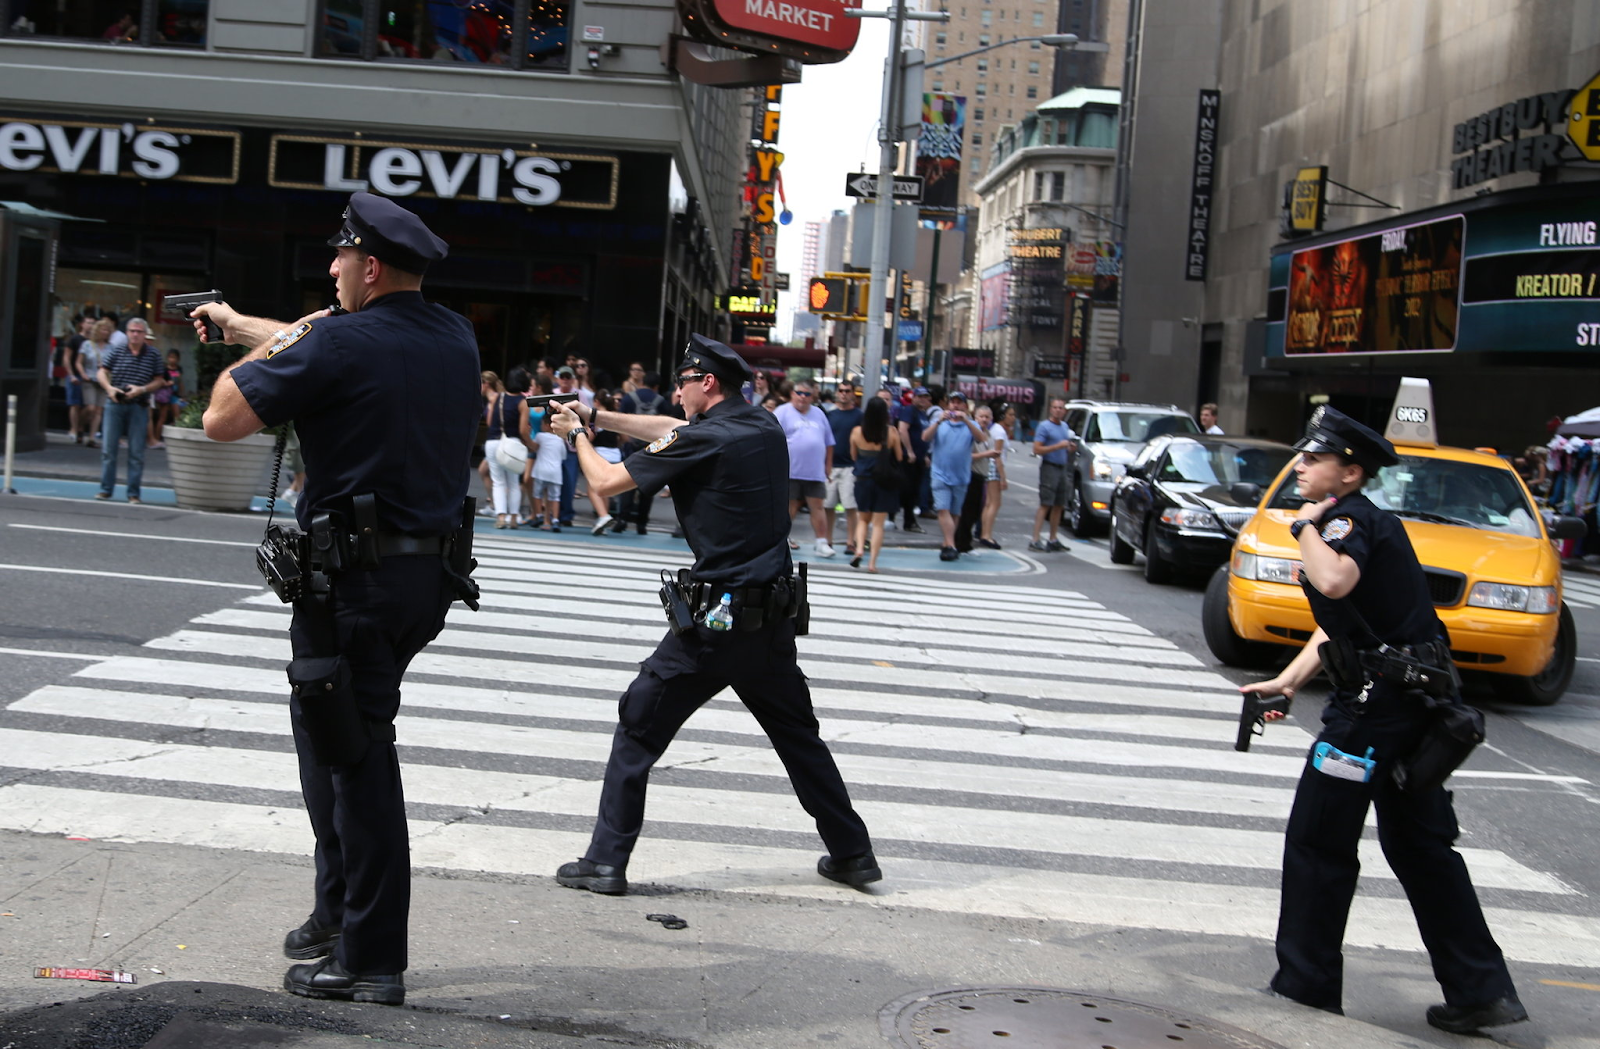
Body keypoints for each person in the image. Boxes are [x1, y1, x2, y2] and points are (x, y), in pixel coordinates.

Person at [192, 191, 480, 1007]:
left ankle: (371, 955)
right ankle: (335, 910)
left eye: (340, 257)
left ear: (371, 265)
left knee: (357, 758)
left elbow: (221, 419)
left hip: (352, 585)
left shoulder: (339, 340)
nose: (331, 269)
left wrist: (250, 347)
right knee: (330, 734)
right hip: (423, 580)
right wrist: (254, 324)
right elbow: (334, 342)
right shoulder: (453, 335)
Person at [546, 334, 879, 896]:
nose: (674, 394)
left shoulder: (708, 437)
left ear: (707, 383)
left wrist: (578, 435)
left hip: (714, 624)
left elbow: (604, 481)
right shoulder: (761, 425)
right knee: (799, 738)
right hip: (770, 621)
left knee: (637, 727)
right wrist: (599, 415)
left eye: (681, 383)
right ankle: (852, 852)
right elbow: (674, 433)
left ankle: (605, 861)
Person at [1240, 407, 1525, 1036]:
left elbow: (1336, 584)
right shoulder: (1359, 521)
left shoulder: (1343, 520)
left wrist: (1304, 529)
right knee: (1421, 846)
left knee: (1319, 841)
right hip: (1415, 703)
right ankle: (1480, 989)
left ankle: (1306, 985)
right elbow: (1345, 626)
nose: (1302, 466)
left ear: (1350, 471)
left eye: (1315, 459)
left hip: (1372, 713)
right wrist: (1287, 682)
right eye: (1304, 456)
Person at [95, 317, 166, 503]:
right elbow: (101, 371)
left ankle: (133, 493)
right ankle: (105, 489)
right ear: (127, 333)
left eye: (139, 332)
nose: (135, 335)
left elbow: (160, 380)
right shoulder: (117, 350)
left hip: (138, 405)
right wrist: (109, 389)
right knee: (108, 450)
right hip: (115, 403)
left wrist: (141, 389)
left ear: (145, 335)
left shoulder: (153, 354)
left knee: (136, 452)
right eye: (132, 331)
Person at [774, 379, 836, 558]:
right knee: (789, 506)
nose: (802, 397)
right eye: (799, 393)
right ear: (792, 394)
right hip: (790, 470)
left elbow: (829, 442)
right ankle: (781, 539)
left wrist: (828, 465)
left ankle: (821, 542)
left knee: (818, 506)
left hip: (814, 471)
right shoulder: (782, 412)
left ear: (812, 396)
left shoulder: (819, 413)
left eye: (807, 394)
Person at [923, 391, 985, 561]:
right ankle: (951, 544)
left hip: (961, 476)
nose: (955, 406)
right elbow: (925, 437)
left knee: (955, 512)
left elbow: (981, 438)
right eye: (952, 403)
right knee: (943, 509)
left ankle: (947, 543)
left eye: (959, 403)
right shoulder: (940, 423)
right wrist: (938, 422)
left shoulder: (971, 424)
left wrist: (966, 420)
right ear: (948, 405)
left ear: (965, 406)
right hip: (940, 474)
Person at [849, 396, 903, 573]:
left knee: (862, 519)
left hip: (863, 480)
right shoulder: (891, 432)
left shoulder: (857, 432)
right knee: (878, 524)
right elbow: (900, 457)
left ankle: (858, 550)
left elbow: (854, 456)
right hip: (884, 481)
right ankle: (872, 563)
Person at [615, 370, 666, 534]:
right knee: (647, 487)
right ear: (657, 386)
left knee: (626, 483)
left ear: (643, 381)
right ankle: (641, 524)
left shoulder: (630, 398)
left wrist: (626, 440)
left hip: (631, 447)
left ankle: (622, 519)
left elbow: (619, 420)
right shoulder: (661, 401)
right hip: (652, 449)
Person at [1029, 398, 1078, 553]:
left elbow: (1064, 446)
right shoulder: (1044, 427)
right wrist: (1058, 446)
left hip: (1062, 468)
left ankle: (1053, 538)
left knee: (1059, 505)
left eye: (1061, 408)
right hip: (1049, 467)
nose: (1058, 410)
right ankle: (1035, 539)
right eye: (1055, 407)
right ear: (1050, 409)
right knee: (1045, 504)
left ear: (1064, 411)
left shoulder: (1064, 427)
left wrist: (1069, 448)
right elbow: (1036, 449)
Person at [483, 370, 529, 529]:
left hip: (493, 441)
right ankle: (514, 517)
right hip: (512, 443)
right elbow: (523, 429)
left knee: (498, 481)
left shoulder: (497, 397)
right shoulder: (523, 402)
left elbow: (489, 421)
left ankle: (501, 516)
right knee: (514, 482)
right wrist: (530, 443)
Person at [824, 381, 863, 556]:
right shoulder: (830, 415)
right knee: (828, 506)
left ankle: (850, 541)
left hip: (850, 467)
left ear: (853, 393)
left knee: (850, 506)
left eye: (847, 391)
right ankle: (828, 540)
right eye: (841, 391)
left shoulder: (859, 415)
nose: (844, 394)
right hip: (830, 466)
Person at [893, 387, 935, 532]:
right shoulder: (909, 410)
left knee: (914, 490)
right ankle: (903, 519)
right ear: (914, 397)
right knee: (907, 490)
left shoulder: (923, 414)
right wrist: (909, 451)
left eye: (926, 397)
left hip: (919, 458)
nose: (923, 399)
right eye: (920, 396)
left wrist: (924, 455)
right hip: (908, 458)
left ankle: (908, 520)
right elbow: (903, 429)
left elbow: (922, 436)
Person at [978, 404, 1012, 549]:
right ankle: (986, 534)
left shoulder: (994, 430)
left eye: (987, 417)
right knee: (994, 503)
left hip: (990, 466)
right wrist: (1003, 478)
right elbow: (997, 455)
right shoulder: (999, 431)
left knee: (989, 503)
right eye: (1011, 414)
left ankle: (984, 533)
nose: (1013, 418)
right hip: (993, 467)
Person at [77, 317, 113, 448]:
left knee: (98, 410)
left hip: (103, 381)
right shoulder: (87, 344)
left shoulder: (111, 347)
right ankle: (80, 425)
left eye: (107, 330)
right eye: (103, 329)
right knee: (90, 407)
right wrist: (82, 374)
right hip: (89, 379)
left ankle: (91, 438)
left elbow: (113, 364)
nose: (105, 332)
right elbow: (79, 362)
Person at [553, 366, 582, 526]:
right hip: (554, 441)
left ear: (572, 378)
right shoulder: (553, 394)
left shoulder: (580, 395)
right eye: (562, 376)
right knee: (551, 480)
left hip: (571, 442)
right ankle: (553, 512)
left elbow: (588, 416)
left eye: (567, 377)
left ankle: (566, 514)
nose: (565, 379)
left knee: (569, 481)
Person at [530, 408, 566, 531]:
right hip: (556, 473)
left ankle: (539, 515)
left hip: (540, 471)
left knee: (537, 494)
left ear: (546, 425)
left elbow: (534, 447)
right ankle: (555, 519)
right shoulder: (560, 440)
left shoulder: (540, 436)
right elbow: (563, 456)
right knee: (555, 497)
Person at [147, 347, 185, 449]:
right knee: (162, 417)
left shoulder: (179, 369)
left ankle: (178, 439)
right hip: (165, 395)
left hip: (174, 394)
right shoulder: (164, 369)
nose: (172, 360)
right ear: (168, 358)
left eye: (175, 357)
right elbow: (159, 380)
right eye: (171, 357)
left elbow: (180, 382)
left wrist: (182, 394)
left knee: (177, 417)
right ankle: (156, 438)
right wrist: (168, 383)